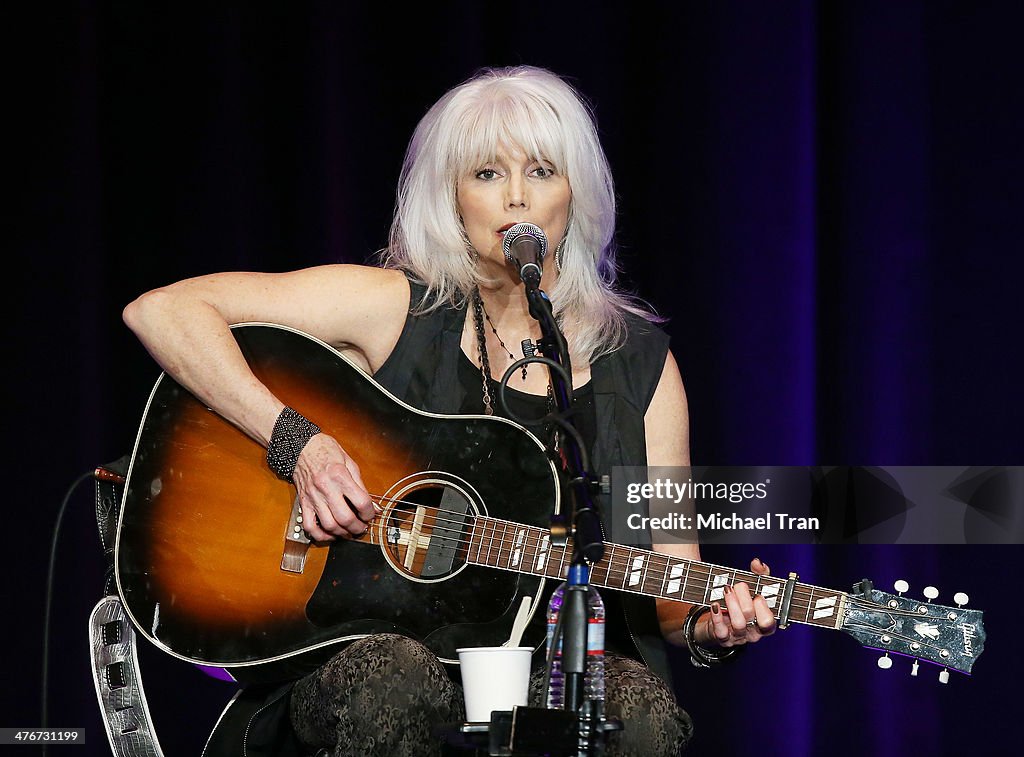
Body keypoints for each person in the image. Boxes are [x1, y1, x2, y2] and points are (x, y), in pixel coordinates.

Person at [123, 65, 775, 757]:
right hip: (366, 648)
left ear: (575, 192)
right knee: (397, 682)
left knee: (638, 713)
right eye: (487, 173)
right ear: (452, 196)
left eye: (543, 170)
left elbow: (673, 588)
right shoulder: (395, 306)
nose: (517, 196)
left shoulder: (641, 366)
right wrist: (300, 445)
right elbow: (163, 312)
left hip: (543, 671)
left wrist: (714, 628)